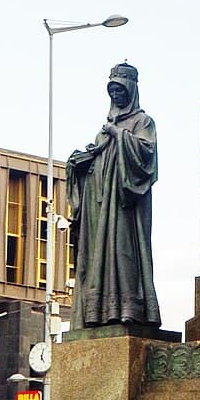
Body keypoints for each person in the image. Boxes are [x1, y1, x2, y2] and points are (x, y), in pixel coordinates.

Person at [66, 62, 161, 330]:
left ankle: (129, 308)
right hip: (98, 202)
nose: (116, 96)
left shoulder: (142, 122)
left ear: (131, 90)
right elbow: (96, 157)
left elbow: (147, 156)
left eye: (120, 90)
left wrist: (118, 135)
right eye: (112, 91)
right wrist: (81, 161)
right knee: (99, 255)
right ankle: (98, 312)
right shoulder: (103, 129)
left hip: (123, 204)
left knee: (123, 251)